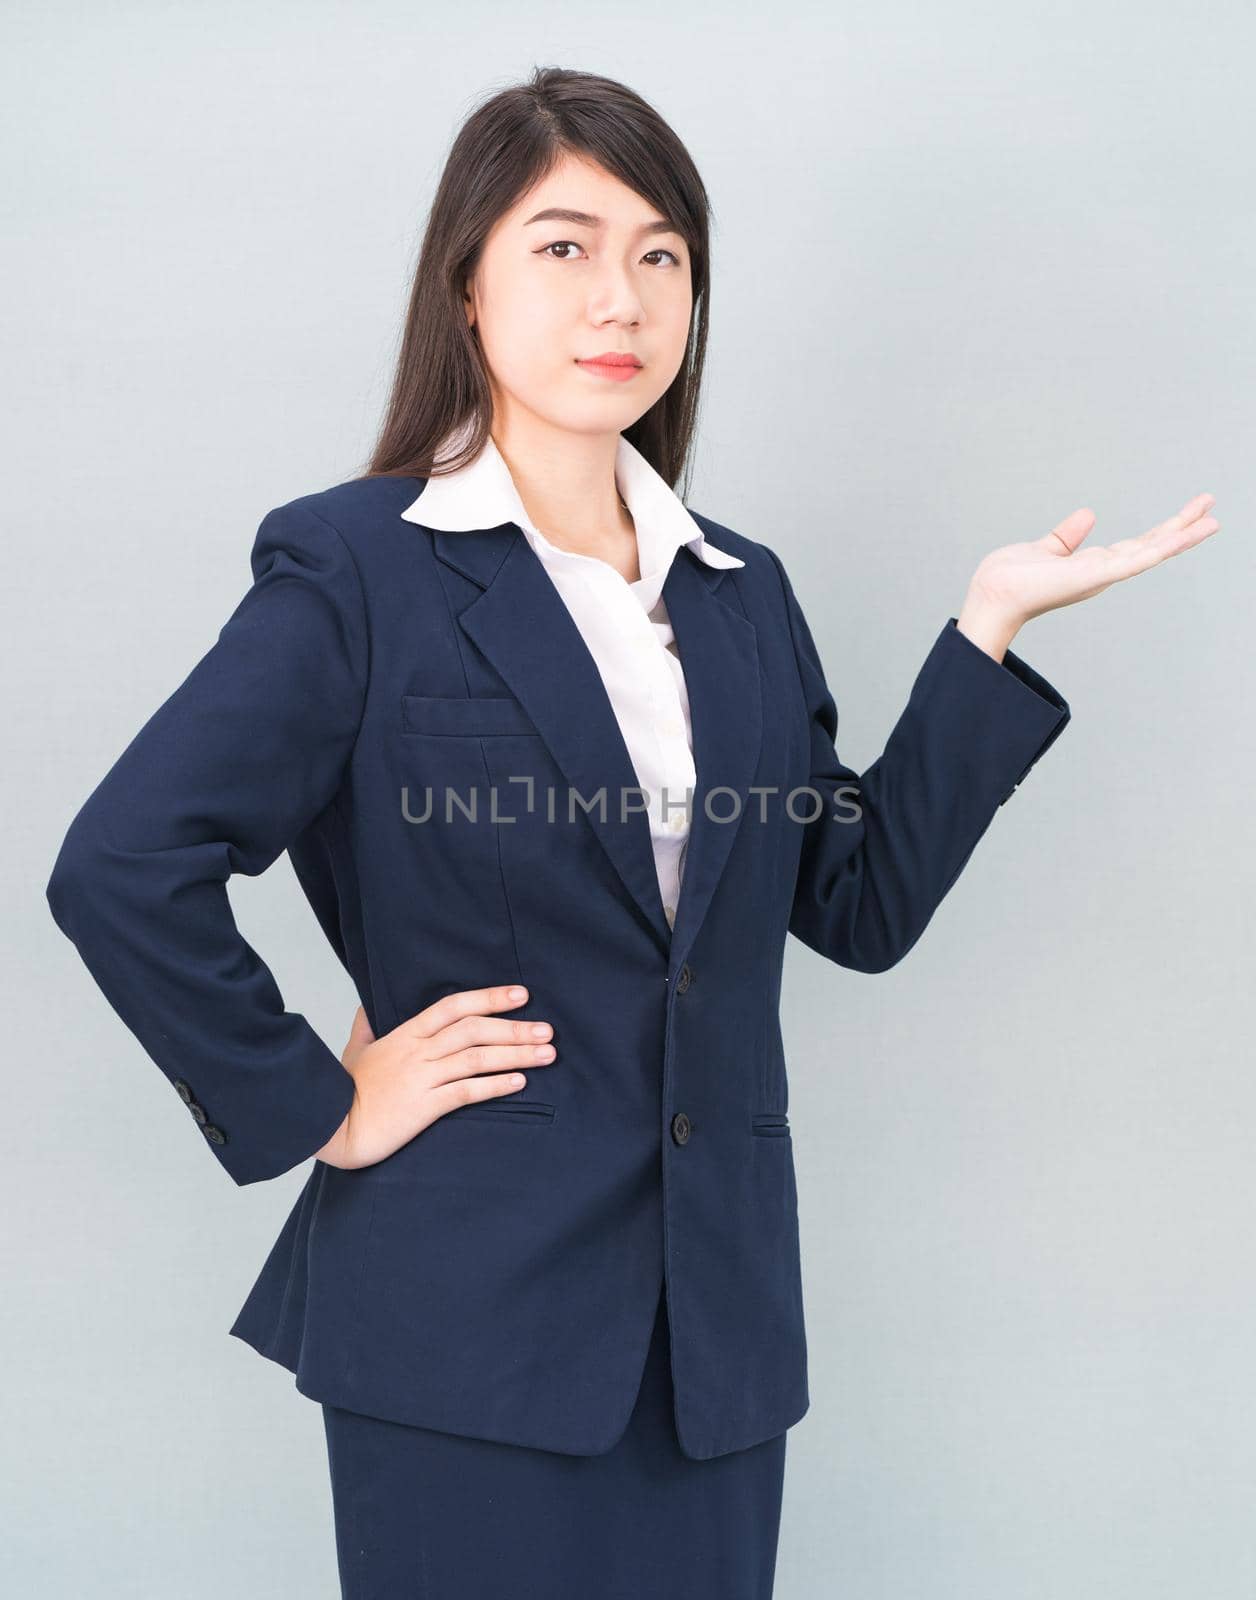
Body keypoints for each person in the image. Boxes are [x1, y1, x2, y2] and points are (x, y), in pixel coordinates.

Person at [44, 65, 1219, 1600]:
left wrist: (981, 640)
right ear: (467, 285)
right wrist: (315, 1103)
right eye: (565, 246)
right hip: (464, 1325)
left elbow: (852, 904)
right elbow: (121, 864)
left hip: (711, 1345)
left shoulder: (740, 590)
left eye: (662, 255)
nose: (623, 295)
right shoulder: (356, 569)